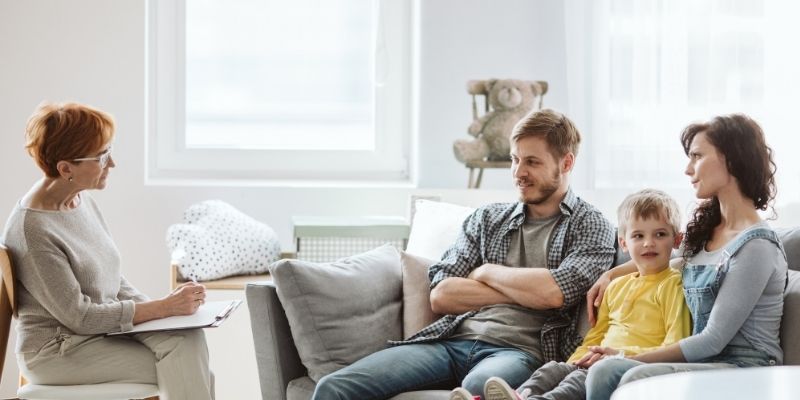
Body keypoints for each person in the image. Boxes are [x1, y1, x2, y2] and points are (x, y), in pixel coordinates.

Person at [312, 109, 617, 400]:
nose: (518, 172)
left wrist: (485, 272)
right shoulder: (487, 219)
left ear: (566, 163)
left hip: (519, 352)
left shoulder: (591, 225)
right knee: (334, 387)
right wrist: (525, 291)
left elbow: (554, 294)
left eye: (532, 162)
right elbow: (441, 295)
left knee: (480, 386)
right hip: (450, 342)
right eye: (514, 160)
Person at [2, 102, 215, 399]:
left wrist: (168, 313)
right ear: (66, 169)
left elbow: (112, 280)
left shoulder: (80, 200)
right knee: (189, 366)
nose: (111, 164)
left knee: (188, 340)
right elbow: (80, 317)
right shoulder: (33, 230)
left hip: (99, 334)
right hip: (59, 350)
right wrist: (163, 308)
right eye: (102, 156)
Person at [583, 114, 787, 400]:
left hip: (745, 367)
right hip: (707, 361)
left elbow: (714, 339)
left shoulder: (757, 246)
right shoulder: (708, 231)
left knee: (626, 372)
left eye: (697, 156)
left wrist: (624, 354)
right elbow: (670, 261)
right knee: (606, 371)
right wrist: (610, 274)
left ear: (730, 159)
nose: (688, 169)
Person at [451, 189, 691, 400]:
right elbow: (595, 336)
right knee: (552, 370)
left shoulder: (673, 285)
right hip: (595, 360)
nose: (649, 243)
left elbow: (675, 344)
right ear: (624, 243)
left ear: (677, 239)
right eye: (639, 236)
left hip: (627, 365)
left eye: (660, 234)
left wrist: (618, 355)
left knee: (575, 383)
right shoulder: (616, 286)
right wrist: (576, 361)